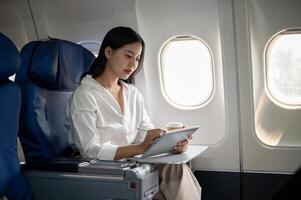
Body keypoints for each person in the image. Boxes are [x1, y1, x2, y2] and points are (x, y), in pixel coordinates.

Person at [65, 26, 202, 200]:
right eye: (128, 56)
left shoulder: (132, 93)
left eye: (137, 59)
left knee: (175, 167)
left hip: (132, 165)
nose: (133, 64)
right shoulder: (85, 95)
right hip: (103, 170)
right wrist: (139, 148)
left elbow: (145, 134)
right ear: (108, 52)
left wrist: (171, 144)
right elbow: (89, 150)